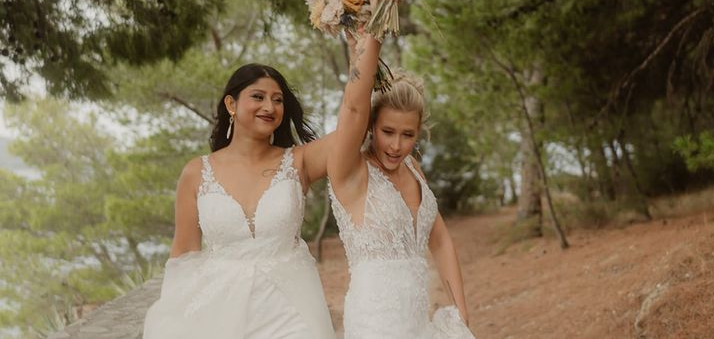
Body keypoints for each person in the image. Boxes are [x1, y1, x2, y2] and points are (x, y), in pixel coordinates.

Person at [142, 62, 336, 338]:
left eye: (277, 100)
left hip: (291, 309)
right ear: (231, 104)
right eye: (258, 96)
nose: (269, 107)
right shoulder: (196, 172)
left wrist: (361, 49)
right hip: (222, 310)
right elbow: (183, 254)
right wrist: (175, 316)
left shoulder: (299, 160)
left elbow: (353, 129)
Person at [327, 17, 475, 338]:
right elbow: (353, 108)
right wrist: (376, 28)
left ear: (418, 132)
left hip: (419, 325)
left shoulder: (413, 169)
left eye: (407, 135)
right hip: (375, 326)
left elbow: (440, 239)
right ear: (371, 126)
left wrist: (460, 309)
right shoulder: (350, 172)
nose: (396, 145)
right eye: (387, 132)